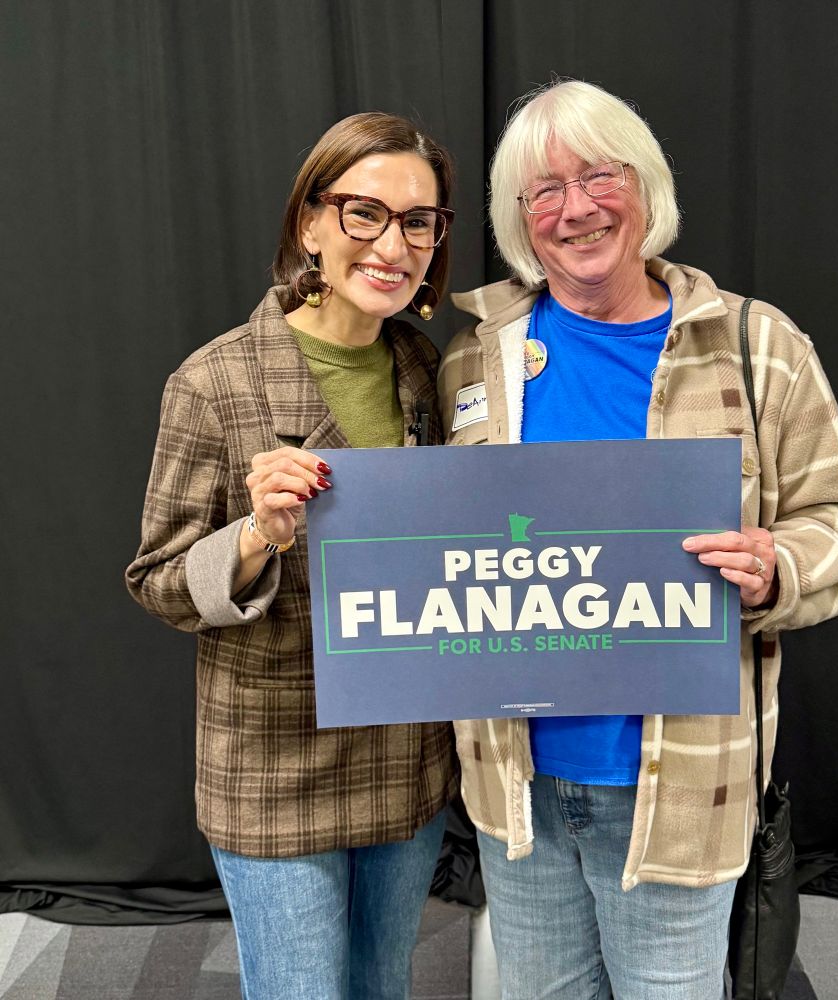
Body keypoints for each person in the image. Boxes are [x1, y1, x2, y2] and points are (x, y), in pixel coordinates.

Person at [438, 80, 838, 999]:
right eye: (545, 190)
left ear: (645, 186)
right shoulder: (475, 358)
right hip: (515, 790)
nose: (576, 208)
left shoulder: (759, 346)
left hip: (682, 793)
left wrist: (778, 570)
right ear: (520, 218)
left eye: (599, 176)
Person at [127, 113, 458, 1000]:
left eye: (418, 222)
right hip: (275, 761)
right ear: (310, 223)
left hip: (405, 751)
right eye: (364, 213)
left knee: (381, 983)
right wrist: (257, 533)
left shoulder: (423, 368)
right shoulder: (214, 382)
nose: (392, 245)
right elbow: (158, 582)